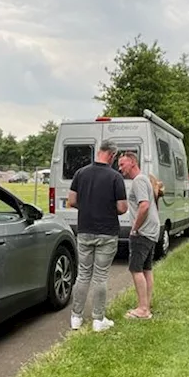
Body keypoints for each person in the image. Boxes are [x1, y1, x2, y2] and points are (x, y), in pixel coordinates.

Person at [66, 139, 128, 332]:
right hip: (107, 232)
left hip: (84, 230)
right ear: (112, 155)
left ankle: (76, 317)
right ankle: (98, 319)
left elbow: (71, 200)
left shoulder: (80, 173)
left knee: (83, 274)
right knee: (100, 276)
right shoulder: (115, 177)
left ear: (99, 152)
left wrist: (86, 207)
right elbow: (122, 207)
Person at [118, 151, 160, 320]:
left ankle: (143, 309)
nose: (120, 168)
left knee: (136, 269)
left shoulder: (138, 181)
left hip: (143, 232)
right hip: (151, 231)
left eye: (123, 164)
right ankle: (146, 305)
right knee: (146, 269)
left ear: (133, 163)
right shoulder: (143, 180)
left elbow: (144, 206)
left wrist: (135, 228)